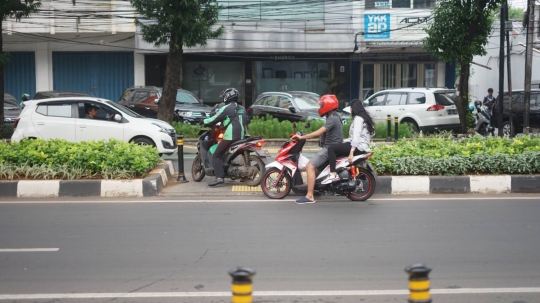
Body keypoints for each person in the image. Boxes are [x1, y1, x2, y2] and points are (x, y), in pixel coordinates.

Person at [291, 94, 343, 204]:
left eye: (321, 105)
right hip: (330, 147)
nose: (320, 108)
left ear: (328, 105)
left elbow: (318, 132)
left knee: (309, 166)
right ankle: (315, 187)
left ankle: (309, 196)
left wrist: (302, 137)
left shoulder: (333, 118)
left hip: (330, 148)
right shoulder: (333, 117)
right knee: (315, 169)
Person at [322, 99, 375, 184]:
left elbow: (356, 137)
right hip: (363, 146)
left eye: (350, 107)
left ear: (353, 108)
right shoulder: (365, 118)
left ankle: (333, 174)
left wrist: (351, 153)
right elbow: (372, 133)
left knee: (331, 149)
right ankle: (339, 172)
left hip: (358, 147)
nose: (350, 109)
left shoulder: (358, 119)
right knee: (337, 150)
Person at [202, 88, 246, 187]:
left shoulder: (227, 108)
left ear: (227, 97)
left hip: (230, 137)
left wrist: (204, 121)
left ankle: (219, 177)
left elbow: (215, 118)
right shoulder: (242, 108)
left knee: (216, 155)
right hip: (242, 136)